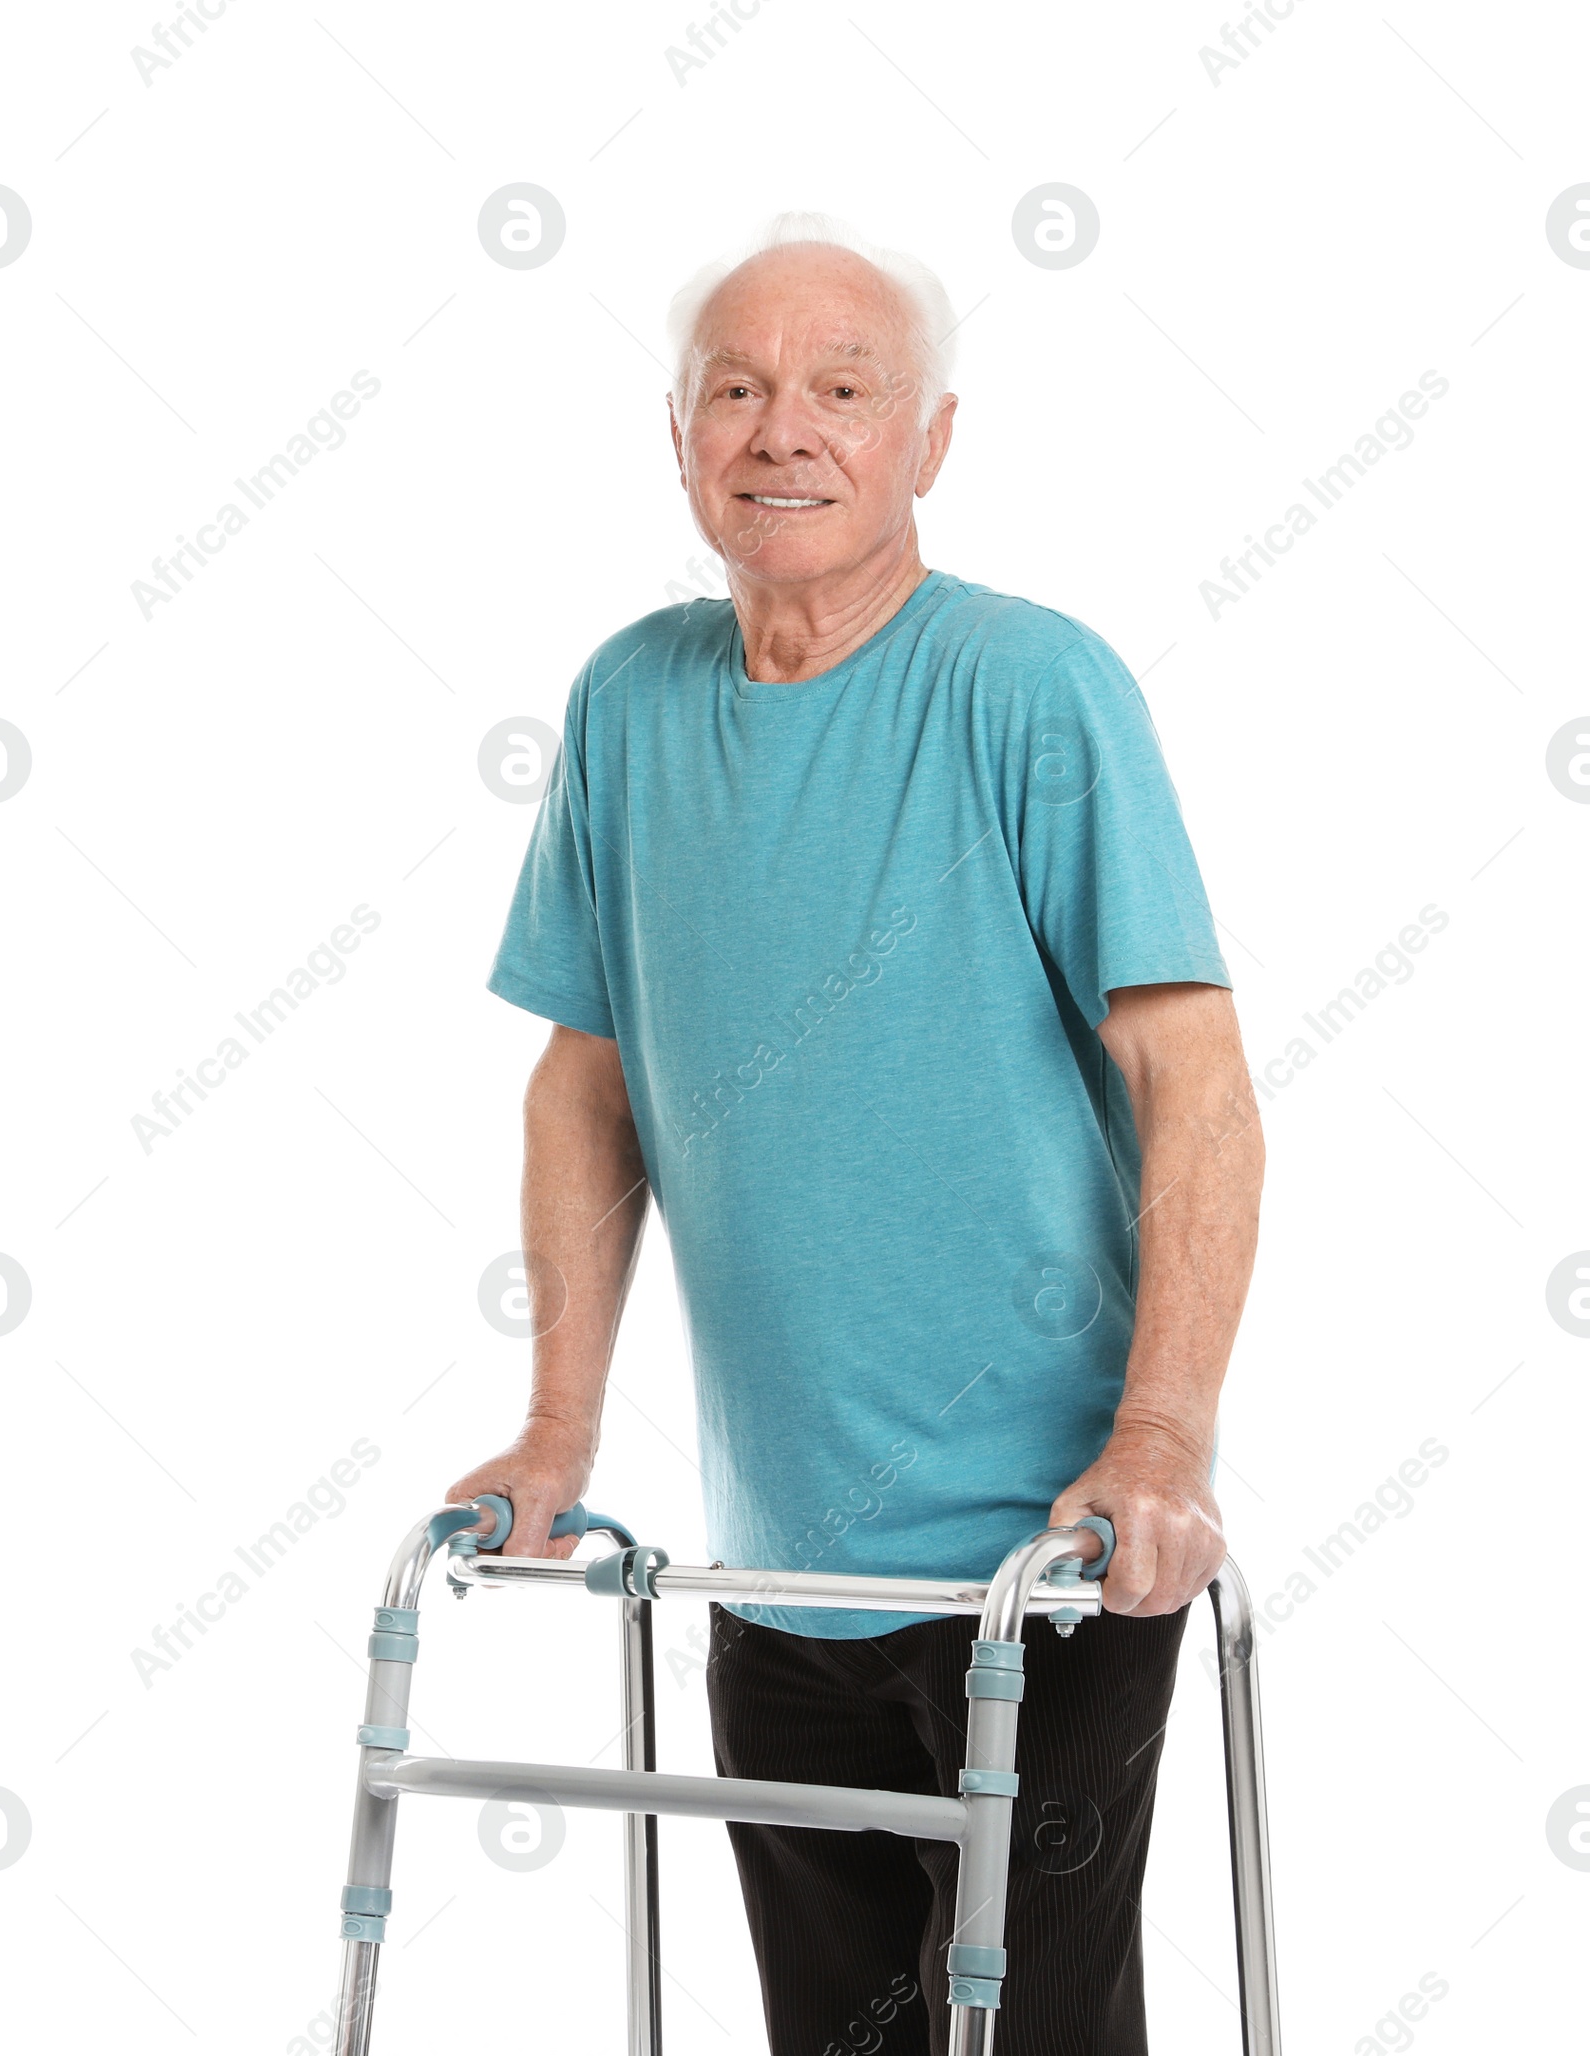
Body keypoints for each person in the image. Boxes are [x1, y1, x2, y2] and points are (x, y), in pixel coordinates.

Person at [448, 211, 1265, 2055]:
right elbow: (589, 1082)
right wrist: (557, 1429)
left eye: (841, 389)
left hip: (1041, 1566)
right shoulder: (627, 701)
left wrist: (1161, 1442)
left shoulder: (1028, 687)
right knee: (838, 2034)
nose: (782, 431)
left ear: (932, 440)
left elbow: (1196, 1082)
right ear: (677, 438)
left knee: (1031, 2031)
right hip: (777, 1564)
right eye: (733, 391)